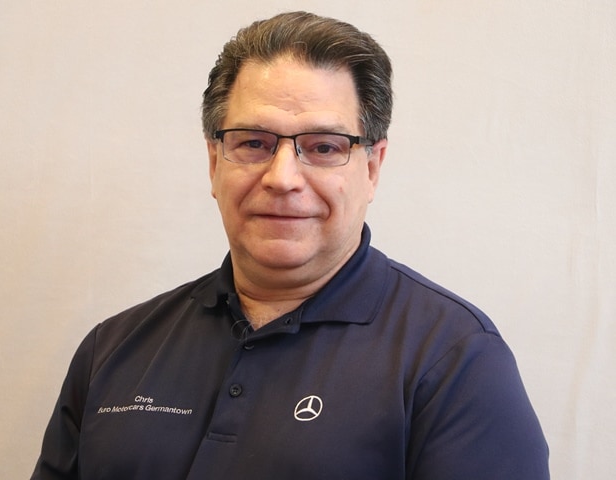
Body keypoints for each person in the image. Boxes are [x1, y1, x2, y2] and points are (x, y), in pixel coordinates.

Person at [31, 11, 549, 480]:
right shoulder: (114, 348)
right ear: (214, 163)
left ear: (372, 168)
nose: (282, 178)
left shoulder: (455, 360)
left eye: (323, 147)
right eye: (253, 143)